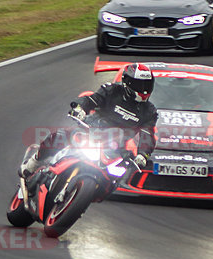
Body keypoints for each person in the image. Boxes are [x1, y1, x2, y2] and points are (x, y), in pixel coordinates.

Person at [20, 63, 158, 179]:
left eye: (147, 85)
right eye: (140, 85)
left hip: (114, 148)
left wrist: (142, 155)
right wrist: (80, 108)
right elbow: (91, 100)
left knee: (115, 177)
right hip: (88, 131)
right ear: (127, 82)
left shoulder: (149, 111)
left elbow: (148, 135)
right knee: (59, 136)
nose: (144, 90)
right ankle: (34, 164)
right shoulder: (111, 90)